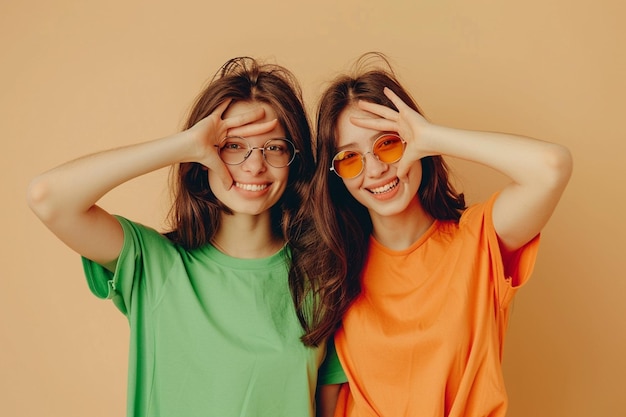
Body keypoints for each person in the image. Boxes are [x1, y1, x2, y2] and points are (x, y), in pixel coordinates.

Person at [27, 57, 343, 417]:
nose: (254, 165)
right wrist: (184, 145)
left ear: (295, 159)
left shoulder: (324, 277)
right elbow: (47, 197)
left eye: (274, 148)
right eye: (233, 146)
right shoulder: (155, 263)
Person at [312, 53, 573, 417]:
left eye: (388, 143)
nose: (374, 169)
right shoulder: (337, 268)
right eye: (350, 158)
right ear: (336, 176)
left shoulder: (478, 240)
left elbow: (552, 167)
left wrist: (433, 136)